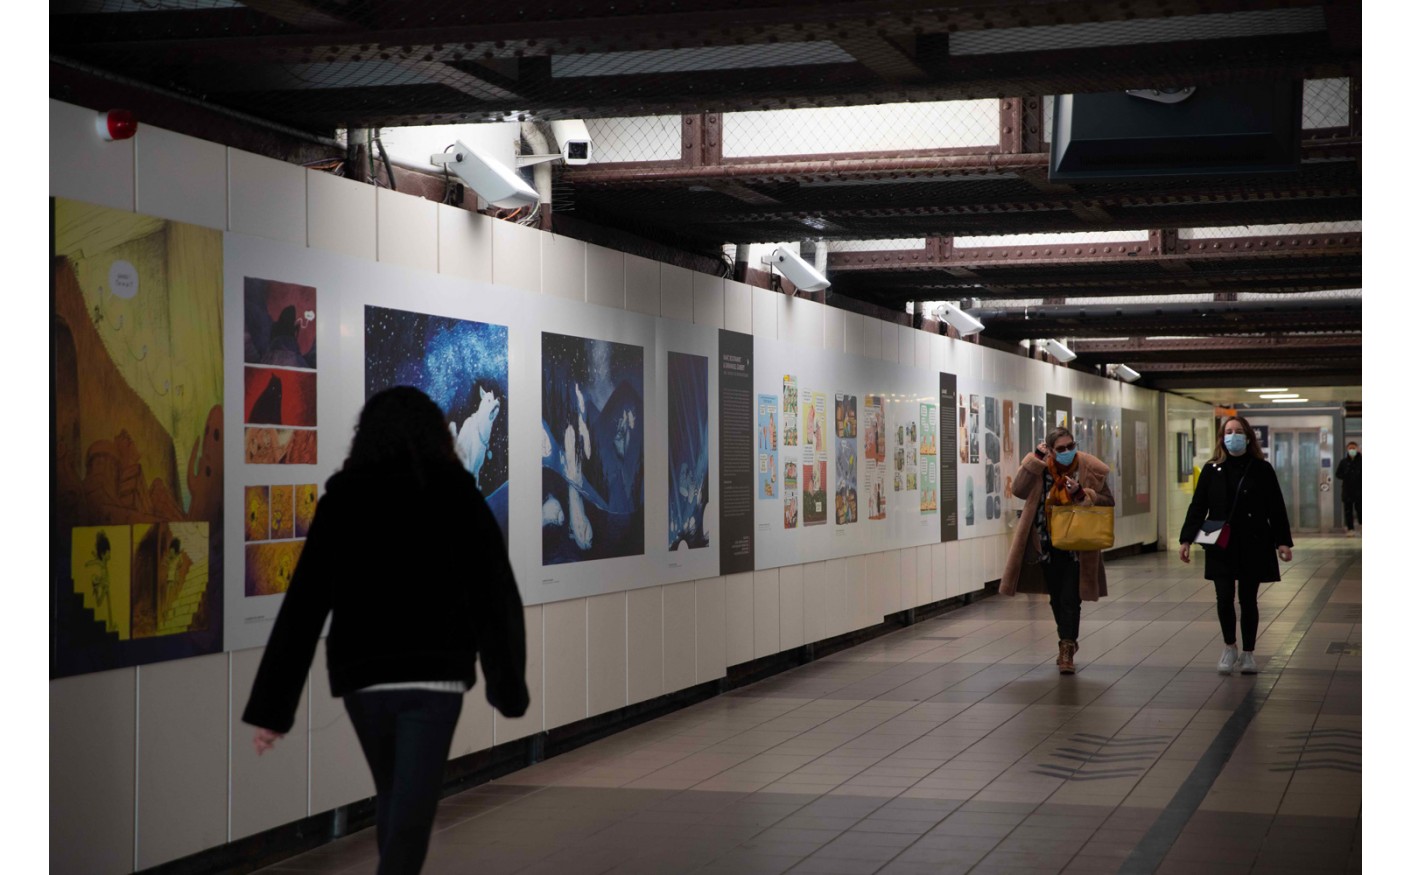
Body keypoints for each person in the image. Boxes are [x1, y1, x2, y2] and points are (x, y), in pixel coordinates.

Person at [243, 386, 529, 875]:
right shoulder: (457, 494)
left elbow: (304, 603)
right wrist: (507, 686)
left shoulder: (345, 500)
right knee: (410, 814)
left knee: (397, 798)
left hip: (364, 681)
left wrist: (273, 706)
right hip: (433, 680)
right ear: (437, 434)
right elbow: (494, 594)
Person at [1179, 415, 1293, 675]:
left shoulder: (1262, 469)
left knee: (1248, 599)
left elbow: (1275, 507)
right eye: (1228, 431)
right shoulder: (1212, 469)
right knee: (1223, 597)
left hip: (1254, 542)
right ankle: (1229, 647)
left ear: (1248, 436)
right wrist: (1186, 539)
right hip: (1222, 543)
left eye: (1238, 431)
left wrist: (1283, 542)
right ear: (1222, 438)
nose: (1233, 436)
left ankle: (1249, 653)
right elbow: (1198, 506)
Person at [999, 427, 1115, 674]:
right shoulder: (1041, 468)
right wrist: (1034, 460)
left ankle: (1066, 647)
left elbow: (1108, 501)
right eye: (1060, 449)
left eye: (1071, 446)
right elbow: (1018, 490)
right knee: (1055, 597)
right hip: (1046, 543)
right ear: (1050, 450)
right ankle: (1067, 641)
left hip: (1077, 545)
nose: (1067, 452)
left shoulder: (1088, 468)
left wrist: (1083, 494)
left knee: (1070, 598)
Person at [1335, 441, 1361, 537]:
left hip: (1360, 490)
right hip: (1347, 491)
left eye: (1354, 448)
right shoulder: (1344, 462)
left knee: (1360, 509)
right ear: (1347, 449)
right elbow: (1338, 474)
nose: (1352, 450)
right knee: (1348, 511)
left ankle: (1362, 525)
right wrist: (1346, 475)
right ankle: (1350, 529)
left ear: (1357, 449)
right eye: (1350, 448)